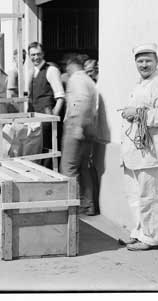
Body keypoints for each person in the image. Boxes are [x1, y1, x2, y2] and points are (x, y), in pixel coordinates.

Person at [119, 43, 158, 251]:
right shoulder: (141, 84)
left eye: (148, 61)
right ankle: (139, 233)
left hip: (155, 152)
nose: (143, 64)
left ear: (156, 62)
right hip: (137, 152)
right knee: (136, 196)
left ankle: (151, 238)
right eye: (140, 61)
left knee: (151, 197)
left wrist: (137, 113)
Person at [60, 54, 98, 216]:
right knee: (83, 168)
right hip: (89, 127)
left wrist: (77, 127)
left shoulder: (76, 79)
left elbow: (82, 101)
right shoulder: (88, 80)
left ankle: (71, 208)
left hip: (77, 125)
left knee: (68, 169)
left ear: (70, 66)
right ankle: (88, 204)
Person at [23, 42, 65, 166]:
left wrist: (53, 118)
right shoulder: (32, 72)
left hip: (47, 118)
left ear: (43, 54)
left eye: (38, 54)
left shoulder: (51, 70)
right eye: (33, 55)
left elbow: (60, 97)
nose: (36, 58)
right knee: (37, 150)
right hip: (35, 119)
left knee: (48, 151)